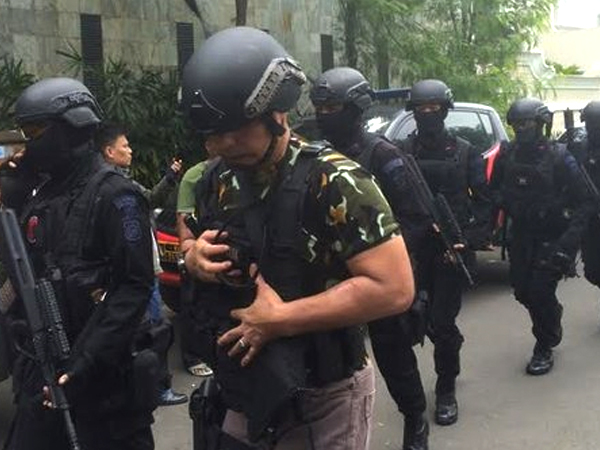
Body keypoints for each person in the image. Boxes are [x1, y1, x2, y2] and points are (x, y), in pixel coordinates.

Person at [180, 26, 415, 449]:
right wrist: (194, 257)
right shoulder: (218, 179)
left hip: (323, 393)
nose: (221, 144)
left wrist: (281, 320)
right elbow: (193, 240)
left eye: (235, 129)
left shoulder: (336, 180)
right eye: (212, 134)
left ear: (277, 112)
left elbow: (394, 288)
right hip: (246, 383)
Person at [1, 78, 156, 449]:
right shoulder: (40, 194)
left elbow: (134, 286)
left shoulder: (115, 195)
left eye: (35, 132)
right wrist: (15, 182)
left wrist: (85, 361)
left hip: (102, 387)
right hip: (40, 373)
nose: (28, 142)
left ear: (69, 129)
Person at [310, 66, 430, 450]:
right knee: (333, 362)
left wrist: (387, 262)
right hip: (333, 279)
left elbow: (415, 217)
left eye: (332, 106)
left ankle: (416, 422)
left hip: (379, 277)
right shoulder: (315, 156)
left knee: (394, 356)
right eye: (320, 106)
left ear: (356, 107)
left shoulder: (384, 155)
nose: (324, 113)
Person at [399, 79, 493, 426]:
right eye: (421, 109)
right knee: (412, 322)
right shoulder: (402, 150)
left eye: (433, 108)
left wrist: (466, 239)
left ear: (444, 110)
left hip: (451, 250)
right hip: (411, 250)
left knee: (441, 321)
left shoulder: (465, 151)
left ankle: (446, 388)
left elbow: (484, 204)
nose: (427, 114)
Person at [490, 97, 594, 376]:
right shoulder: (507, 154)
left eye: (527, 123)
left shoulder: (560, 156)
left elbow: (585, 201)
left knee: (539, 290)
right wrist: (507, 203)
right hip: (521, 234)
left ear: (541, 124)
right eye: (517, 124)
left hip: (554, 236)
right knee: (522, 291)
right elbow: (494, 189)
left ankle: (544, 343)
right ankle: (551, 314)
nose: (521, 129)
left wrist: (569, 243)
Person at [97, 124, 188, 407]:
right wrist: (171, 178)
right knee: (156, 329)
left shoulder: (104, 184)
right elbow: (149, 200)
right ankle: (158, 389)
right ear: (109, 152)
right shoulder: (117, 187)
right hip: (139, 273)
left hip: (131, 273)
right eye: (125, 145)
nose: (130, 150)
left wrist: (170, 176)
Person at [176, 160, 215, 377]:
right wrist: (188, 251)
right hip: (199, 249)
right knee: (192, 305)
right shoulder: (195, 175)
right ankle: (192, 357)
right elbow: (183, 217)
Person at [571, 101, 600, 294]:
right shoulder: (581, 147)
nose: (592, 128)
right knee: (592, 270)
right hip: (590, 217)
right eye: (589, 123)